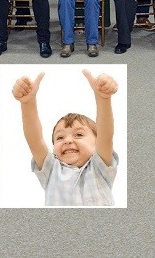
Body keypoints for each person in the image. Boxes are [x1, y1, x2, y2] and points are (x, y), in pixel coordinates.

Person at [11, 70, 119, 207]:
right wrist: (27, 103)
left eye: (79, 134)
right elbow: (35, 139)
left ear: (97, 143)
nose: (67, 140)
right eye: (60, 137)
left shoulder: (100, 167)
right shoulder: (51, 169)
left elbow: (106, 134)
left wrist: (103, 99)